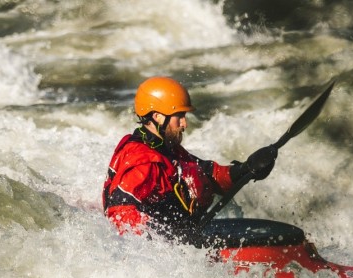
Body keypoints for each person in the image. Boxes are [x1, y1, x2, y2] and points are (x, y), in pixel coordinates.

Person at [102, 76, 277, 240]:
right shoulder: (144, 162)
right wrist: (170, 240)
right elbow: (120, 214)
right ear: (157, 116)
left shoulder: (166, 149)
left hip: (187, 238)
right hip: (169, 252)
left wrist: (246, 170)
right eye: (179, 117)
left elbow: (210, 175)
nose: (184, 124)